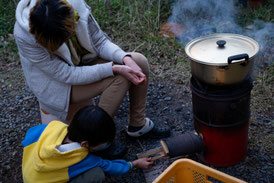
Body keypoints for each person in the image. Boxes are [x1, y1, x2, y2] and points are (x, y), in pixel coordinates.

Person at [14, 0, 170, 138]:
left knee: (138, 61)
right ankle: (95, 138)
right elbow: (65, 74)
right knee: (119, 78)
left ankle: (138, 125)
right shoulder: (26, 35)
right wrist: (113, 69)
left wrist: (125, 59)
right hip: (57, 84)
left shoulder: (74, 7)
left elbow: (100, 42)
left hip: (81, 64)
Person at [22, 105, 153, 183]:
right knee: (97, 174)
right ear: (85, 144)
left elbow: (29, 136)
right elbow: (110, 167)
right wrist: (134, 164)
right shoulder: (83, 159)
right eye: (101, 144)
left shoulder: (52, 127)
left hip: (30, 174)